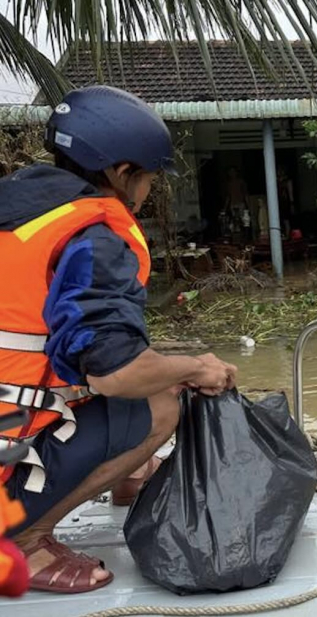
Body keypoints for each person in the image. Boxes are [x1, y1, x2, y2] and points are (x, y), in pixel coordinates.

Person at [0, 86, 238, 594]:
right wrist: (196, 368)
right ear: (123, 173)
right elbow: (116, 372)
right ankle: (25, 538)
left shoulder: (18, 208)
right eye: (149, 178)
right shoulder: (92, 236)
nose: (149, 189)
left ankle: (126, 472)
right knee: (159, 402)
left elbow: (50, 345)